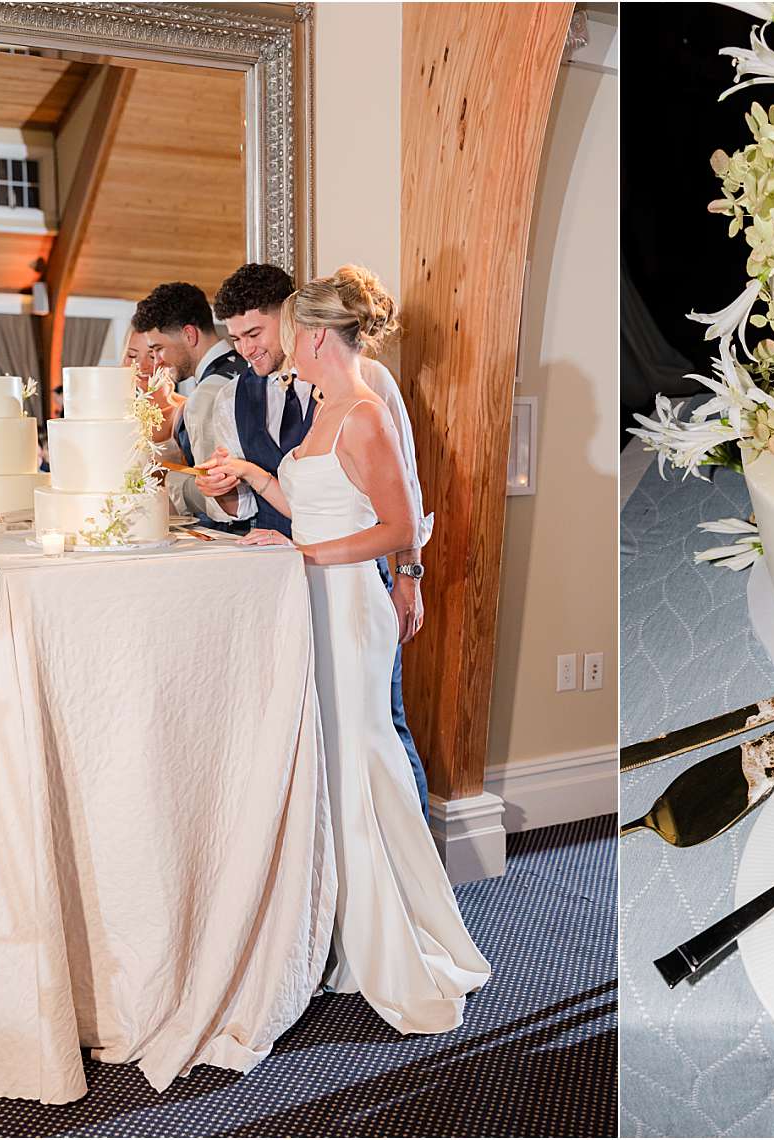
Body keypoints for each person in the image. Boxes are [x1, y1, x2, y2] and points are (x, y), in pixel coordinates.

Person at [204, 267, 489, 1030]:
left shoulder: (364, 410)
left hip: (350, 604)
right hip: (317, 598)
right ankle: (343, 924)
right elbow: (319, 503)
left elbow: (395, 527)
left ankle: (396, 937)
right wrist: (262, 485)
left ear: (317, 334)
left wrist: (313, 555)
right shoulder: (327, 407)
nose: (286, 344)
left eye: (292, 329)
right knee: (333, 758)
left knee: (363, 755)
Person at [203, 262, 431, 819]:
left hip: (356, 583)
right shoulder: (256, 397)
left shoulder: (366, 391)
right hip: (304, 588)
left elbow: (402, 507)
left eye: (258, 334)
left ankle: (410, 866)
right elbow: (310, 498)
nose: (251, 349)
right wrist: (247, 479)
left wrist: (408, 577)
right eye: (236, 339)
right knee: (326, 739)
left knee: (376, 731)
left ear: (303, 328)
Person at [131, 282, 245, 525]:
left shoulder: (206, 394)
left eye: (159, 349)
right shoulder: (245, 367)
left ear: (189, 334)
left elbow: (220, 499)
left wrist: (167, 479)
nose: (158, 361)